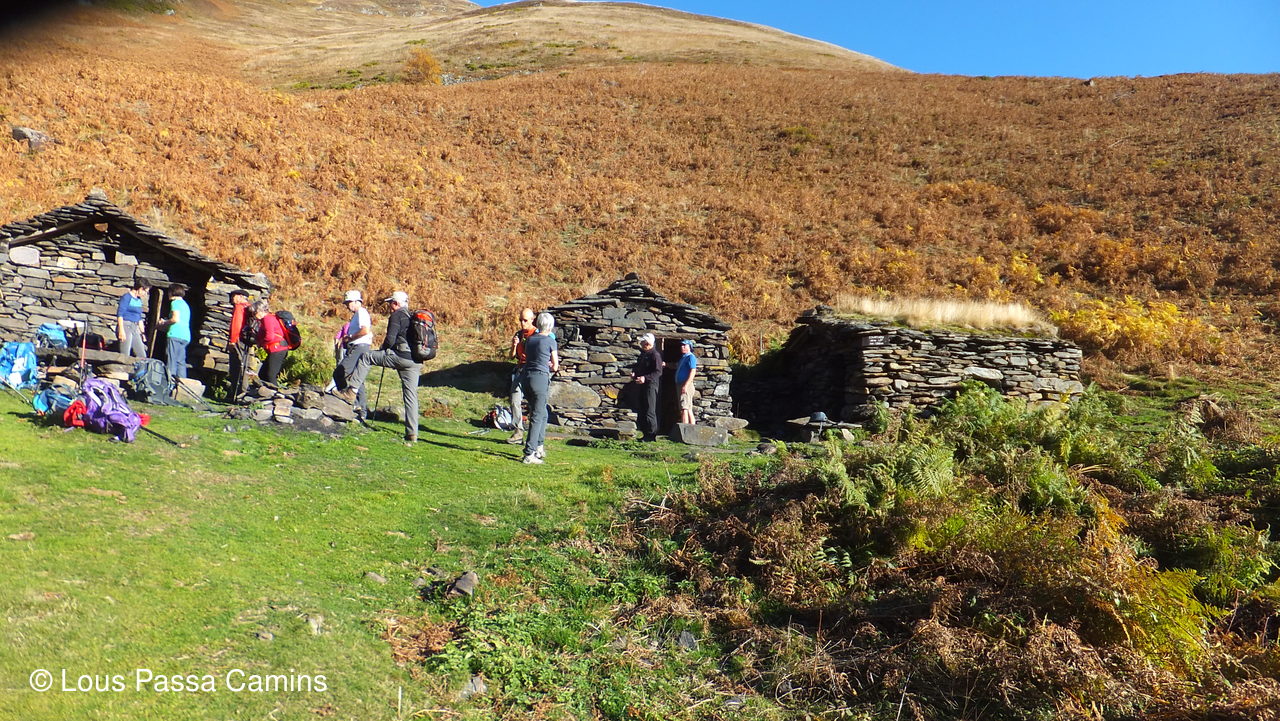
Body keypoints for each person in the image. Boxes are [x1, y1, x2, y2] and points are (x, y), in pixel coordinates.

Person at [349, 291, 422, 443]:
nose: (389, 306)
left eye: (391, 303)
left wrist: (382, 349)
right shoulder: (412, 317)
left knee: (366, 357)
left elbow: (390, 340)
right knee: (411, 396)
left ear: (396, 303)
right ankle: (412, 433)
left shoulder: (397, 315)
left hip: (400, 356)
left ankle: (351, 391)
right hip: (415, 361)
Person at [520, 312, 559, 464]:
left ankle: (539, 446)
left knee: (542, 413)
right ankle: (529, 453)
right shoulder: (550, 341)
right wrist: (549, 364)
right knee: (537, 416)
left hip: (526, 377)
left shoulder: (530, 339)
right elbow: (555, 366)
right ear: (550, 325)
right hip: (540, 379)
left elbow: (530, 356)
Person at [332, 290, 372, 417]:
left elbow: (365, 330)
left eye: (348, 303)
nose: (347, 306)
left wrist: (350, 337)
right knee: (357, 379)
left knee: (340, 372)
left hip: (359, 346)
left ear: (356, 301)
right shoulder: (357, 314)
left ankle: (347, 400)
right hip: (358, 346)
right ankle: (361, 409)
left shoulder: (361, 312)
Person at [506, 308, 537, 445]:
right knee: (514, 400)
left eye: (525, 320)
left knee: (533, 403)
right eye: (520, 320)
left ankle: (533, 435)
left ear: (532, 320)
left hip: (532, 371)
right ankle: (518, 432)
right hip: (520, 370)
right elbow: (511, 356)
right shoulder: (519, 334)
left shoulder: (537, 334)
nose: (522, 323)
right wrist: (514, 345)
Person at [631, 333, 664, 441]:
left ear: (648, 343)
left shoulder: (655, 355)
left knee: (650, 410)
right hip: (643, 385)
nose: (641, 344)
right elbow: (642, 369)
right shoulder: (644, 355)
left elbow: (658, 372)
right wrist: (635, 375)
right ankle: (645, 433)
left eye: (643, 342)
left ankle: (651, 434)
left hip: (651, 385)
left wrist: (645, 378)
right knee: (643, 408)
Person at [250, 300, 290, 386]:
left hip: (278, 349)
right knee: (263, 374)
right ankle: (266, 392)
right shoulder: (269, 318)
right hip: (277, 349)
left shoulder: (267, 319)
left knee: (270, 376)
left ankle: (275, 393)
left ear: (260, 311)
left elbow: (269, 337)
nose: (254, 315)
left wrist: (260, 343)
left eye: (255, 312)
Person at [157, 283, 191, 381]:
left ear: (172, 292)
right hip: (185, 336)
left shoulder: (175, 303)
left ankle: (170, 382)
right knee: (180, 361)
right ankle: (182, 383)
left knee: (171, 360)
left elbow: (175, 319)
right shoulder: (185, 305)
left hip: (175, 334)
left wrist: (164, 322)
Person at [115, 282, 149, 358]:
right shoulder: (126, 297)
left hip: (135, 327)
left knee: (142, 355)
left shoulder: (138, 300)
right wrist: (121, 330)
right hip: (126, 325)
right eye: (145, 291)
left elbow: (139, 318)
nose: (145, 294)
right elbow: (120, 314)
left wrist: (142, 333)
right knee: (125, 354)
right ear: (140, 289)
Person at [227, 289, 251, 396]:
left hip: (238, 339)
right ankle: (243, 391)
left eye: (234, 296)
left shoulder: (239, 307)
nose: (232, 298)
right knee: (244, 365)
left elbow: (236, 325)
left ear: (241, 297)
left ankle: (236, 393)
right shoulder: (249, 307)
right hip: (247, 340)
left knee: (235, 365)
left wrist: (232, 341)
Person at [675, 339, 698, 425]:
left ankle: (685, 428)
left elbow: (693, 371)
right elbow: (676, 366)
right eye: (682, 345)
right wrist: (666, 364)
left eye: (685, 345)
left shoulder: (690, 357)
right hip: (681, 384)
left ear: (690, 347)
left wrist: (686, 385)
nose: (682, 347)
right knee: (688, 408)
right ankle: (692, 428)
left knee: (684, 407)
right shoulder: (683, 358)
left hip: (685, 385)